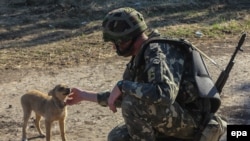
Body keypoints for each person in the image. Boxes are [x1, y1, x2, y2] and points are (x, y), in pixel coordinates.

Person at [66, 7, 226, 141]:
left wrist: (123, 85)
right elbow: (124, 96)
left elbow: (164, 94)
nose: (114, 48)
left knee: (132, 105)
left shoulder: (157, 52)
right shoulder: (142, 55)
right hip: (174, 116)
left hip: (195, 122)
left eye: (116, 42)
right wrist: (84, 95)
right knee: (117, 136)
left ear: (127, 39)